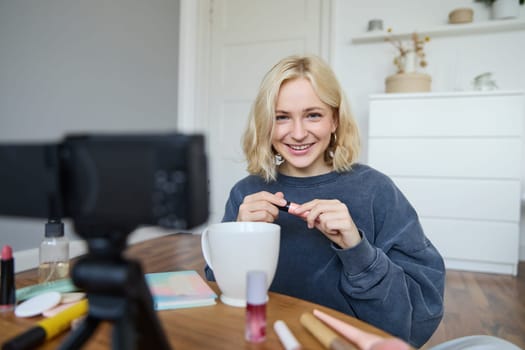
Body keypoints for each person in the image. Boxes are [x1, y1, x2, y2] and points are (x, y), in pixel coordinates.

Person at [205, 55, 445, 348]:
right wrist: (237, 238)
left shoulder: (376, 190)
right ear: (266, 124)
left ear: (335, 120)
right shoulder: (245, 192)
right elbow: (220, 294)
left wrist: (357, 247)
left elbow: (414, 319)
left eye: (313, 115)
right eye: (281, 117)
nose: (297, 133)